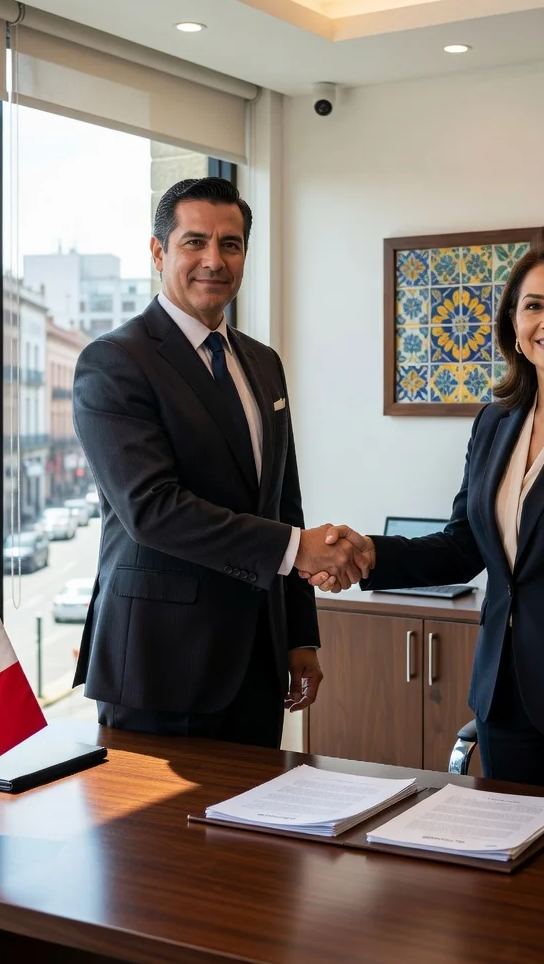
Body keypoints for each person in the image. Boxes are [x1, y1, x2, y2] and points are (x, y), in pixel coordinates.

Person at [306, 241, 544, 816]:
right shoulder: (495, 421)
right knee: (511, 862)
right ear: (513, 324)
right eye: (533, 306)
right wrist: (368, 555)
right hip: (502, 696)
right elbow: (463, 547)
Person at [71, 177, 369, 748]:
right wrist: (297, 549)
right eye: (194, 242)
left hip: (259, 660)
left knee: (263, 808)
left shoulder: (263, 362)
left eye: (230, 244)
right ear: (158, 252)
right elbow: (153, 510)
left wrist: (299, 635)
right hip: (160, 666)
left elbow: (283, 502)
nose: (214, 260)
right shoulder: (114, 362)